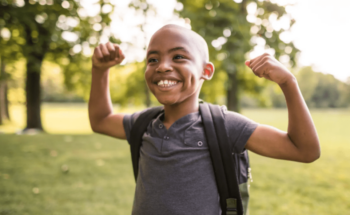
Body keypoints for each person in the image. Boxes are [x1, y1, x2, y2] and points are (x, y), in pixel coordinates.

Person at [88, 24, 320, 214]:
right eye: (153, 60)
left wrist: (288, 83)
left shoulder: (226, 126)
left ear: (206, 71)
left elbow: (304, 150)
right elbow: (100, 120)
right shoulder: (143, 125)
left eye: (178, 57)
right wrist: (100, 70)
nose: (163, 67)